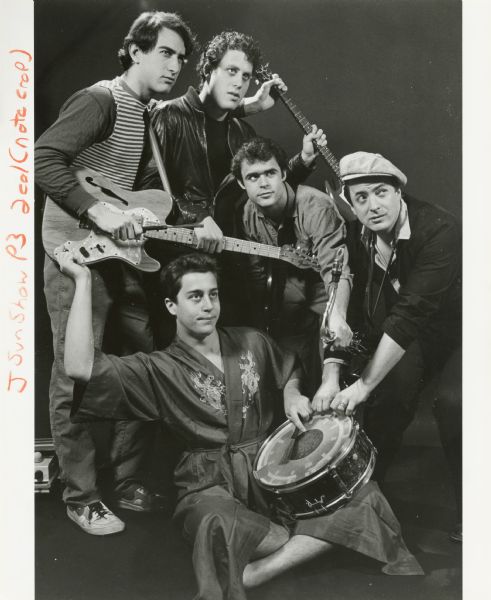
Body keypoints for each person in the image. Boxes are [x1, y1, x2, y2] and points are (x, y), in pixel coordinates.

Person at [61, 250, 423, 599]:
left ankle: (258, 571)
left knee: (363, 495)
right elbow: (79, 367)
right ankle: (303, 541)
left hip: (273, 471)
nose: (207, 305)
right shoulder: (157, 368)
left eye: (213, 295)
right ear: (172, 306)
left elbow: (289, 367)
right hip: (209, 483)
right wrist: (82, 281)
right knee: (215, 523)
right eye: (195, 296)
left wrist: (291, 395)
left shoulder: (251, 340)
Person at [34, 10, 198, 535]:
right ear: (135, 50)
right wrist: (98, 211)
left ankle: (125, 482)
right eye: (166, 53)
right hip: (77, 248)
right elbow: (42, 158)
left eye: (182, 58)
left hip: (118, 253)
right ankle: (81, 495)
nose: (176, 66)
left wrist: (145, 213)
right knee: (74, 372)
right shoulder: (101, 98)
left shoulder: (146, 114)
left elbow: (137, 192)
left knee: (141, 357)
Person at [315, 151, 462, 541]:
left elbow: (410, 313)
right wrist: (337, 319)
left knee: (454, 401)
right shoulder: (359, 233)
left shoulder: (440, 228)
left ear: (399, 191)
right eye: (360, 197)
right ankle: (365, 497)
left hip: (467, 329)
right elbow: (341, 277)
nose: (372, 205)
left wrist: (363, 384)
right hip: (415, 333)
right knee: (392, 390)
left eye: (381, 192)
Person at [141, 30, 327, 332]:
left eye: (246, 75)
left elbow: (261, 186)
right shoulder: (169, 116)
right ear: (207, 70)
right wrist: (198, 216)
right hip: (177, 261)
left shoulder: (241, 131)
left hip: (230, 259)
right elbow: (148, 192)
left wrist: (302, 161)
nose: (239, 82)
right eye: (231, 71)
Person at [231, 136, 352, 395]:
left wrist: (337, 316)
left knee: (328, 352)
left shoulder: (315, 206)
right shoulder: (248, 214)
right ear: (241, 183)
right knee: (285, 358)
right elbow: (256, 272)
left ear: (284, 173)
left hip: (325, 283)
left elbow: (336, 270)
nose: (263, 183)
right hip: (290, 289)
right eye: (253, 177)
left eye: (270, 173)